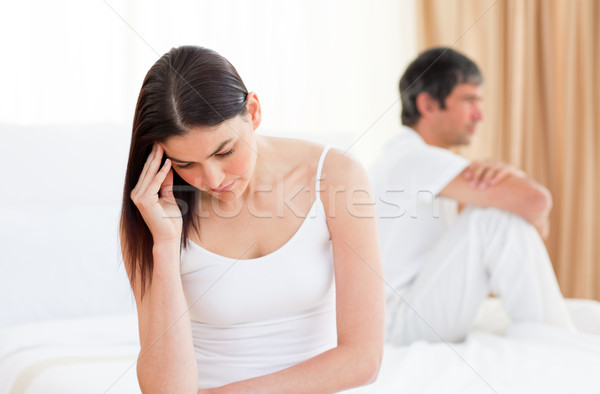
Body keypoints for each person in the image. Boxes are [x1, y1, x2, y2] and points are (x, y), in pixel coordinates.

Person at [119, 46, 384, 393]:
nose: (213, 180)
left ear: (254, 111)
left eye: (225, 151)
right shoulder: (154, 215)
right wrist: (166, 246)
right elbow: (165, 390)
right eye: (185, 164)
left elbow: (363, 359)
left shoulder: (335, 176)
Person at [370, 47, 575, 346]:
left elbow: (528, 226)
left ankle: (549, 332)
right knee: (489, 217)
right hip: (399, 325)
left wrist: (514, 188)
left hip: (407, 313)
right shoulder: (413, 158)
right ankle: (552, 338)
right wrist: (514, 177)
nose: (479, 115)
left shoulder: (411, 161)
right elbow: (536, 203)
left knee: (494, 214)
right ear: (427, 105)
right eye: (469, 100)